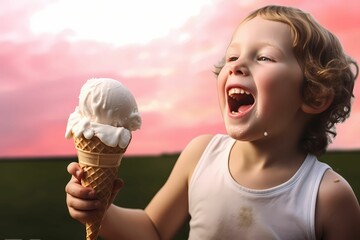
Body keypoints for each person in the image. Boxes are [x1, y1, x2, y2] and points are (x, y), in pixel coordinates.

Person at [65, 5, 360, 240]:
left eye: (265, 57)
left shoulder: (328, 198)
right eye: (232, 56)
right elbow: (152, 230)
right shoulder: (201, 155)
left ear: (314, 95)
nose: (235, 65)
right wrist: (100, 210)